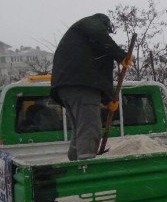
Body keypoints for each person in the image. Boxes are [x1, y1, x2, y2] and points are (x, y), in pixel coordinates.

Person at [50, 13, 132, 161]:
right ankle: (86, 168)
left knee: (79, 130)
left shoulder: (88, 44)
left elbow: (102, 73)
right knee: (89, 129)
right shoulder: (92, 25)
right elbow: (101, 38)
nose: (107, 34)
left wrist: (108, 99)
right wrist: (121, 55)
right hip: (81, 86)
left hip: (66, 86)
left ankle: (74, 162)